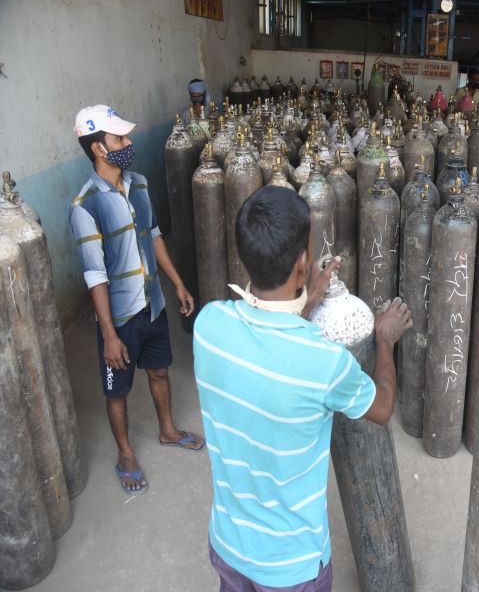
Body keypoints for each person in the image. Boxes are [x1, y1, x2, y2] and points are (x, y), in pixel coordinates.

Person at [193, 186, 412, 591]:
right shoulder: (324, 363)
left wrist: (305, 301)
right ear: (302, 263)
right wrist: (384, 341)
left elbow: (265, 340)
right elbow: (381, 409)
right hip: (291, 568)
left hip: (229, 546)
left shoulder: (208, 326)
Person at [70, 105, 203, 495]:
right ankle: (125, 453)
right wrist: (109, 335)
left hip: (153, 303)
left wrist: (177, 283)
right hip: (121, 316)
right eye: (119, 139)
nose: (129, 144)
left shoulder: (140, 184)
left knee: (159, 370)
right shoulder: (85, 206)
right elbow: (94, 276)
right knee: (118, 390)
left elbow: (155, 236)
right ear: (98, 148)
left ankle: (167, 429)